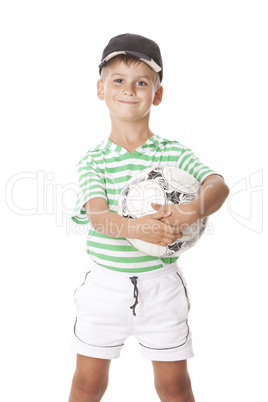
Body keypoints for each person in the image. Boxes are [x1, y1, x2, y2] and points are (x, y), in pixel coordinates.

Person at [68, 33, 229, 402]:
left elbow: (217, 185)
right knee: (86, 384)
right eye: (118, 80)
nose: (129, 89)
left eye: (142, 82)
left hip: (162, 287)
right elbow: (98, 216)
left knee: (174, 386)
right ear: (100, 89)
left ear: (157, 94)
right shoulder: (94, 160)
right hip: (104, 288)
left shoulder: (173, 153)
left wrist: (191, 211)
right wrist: (134, 228)